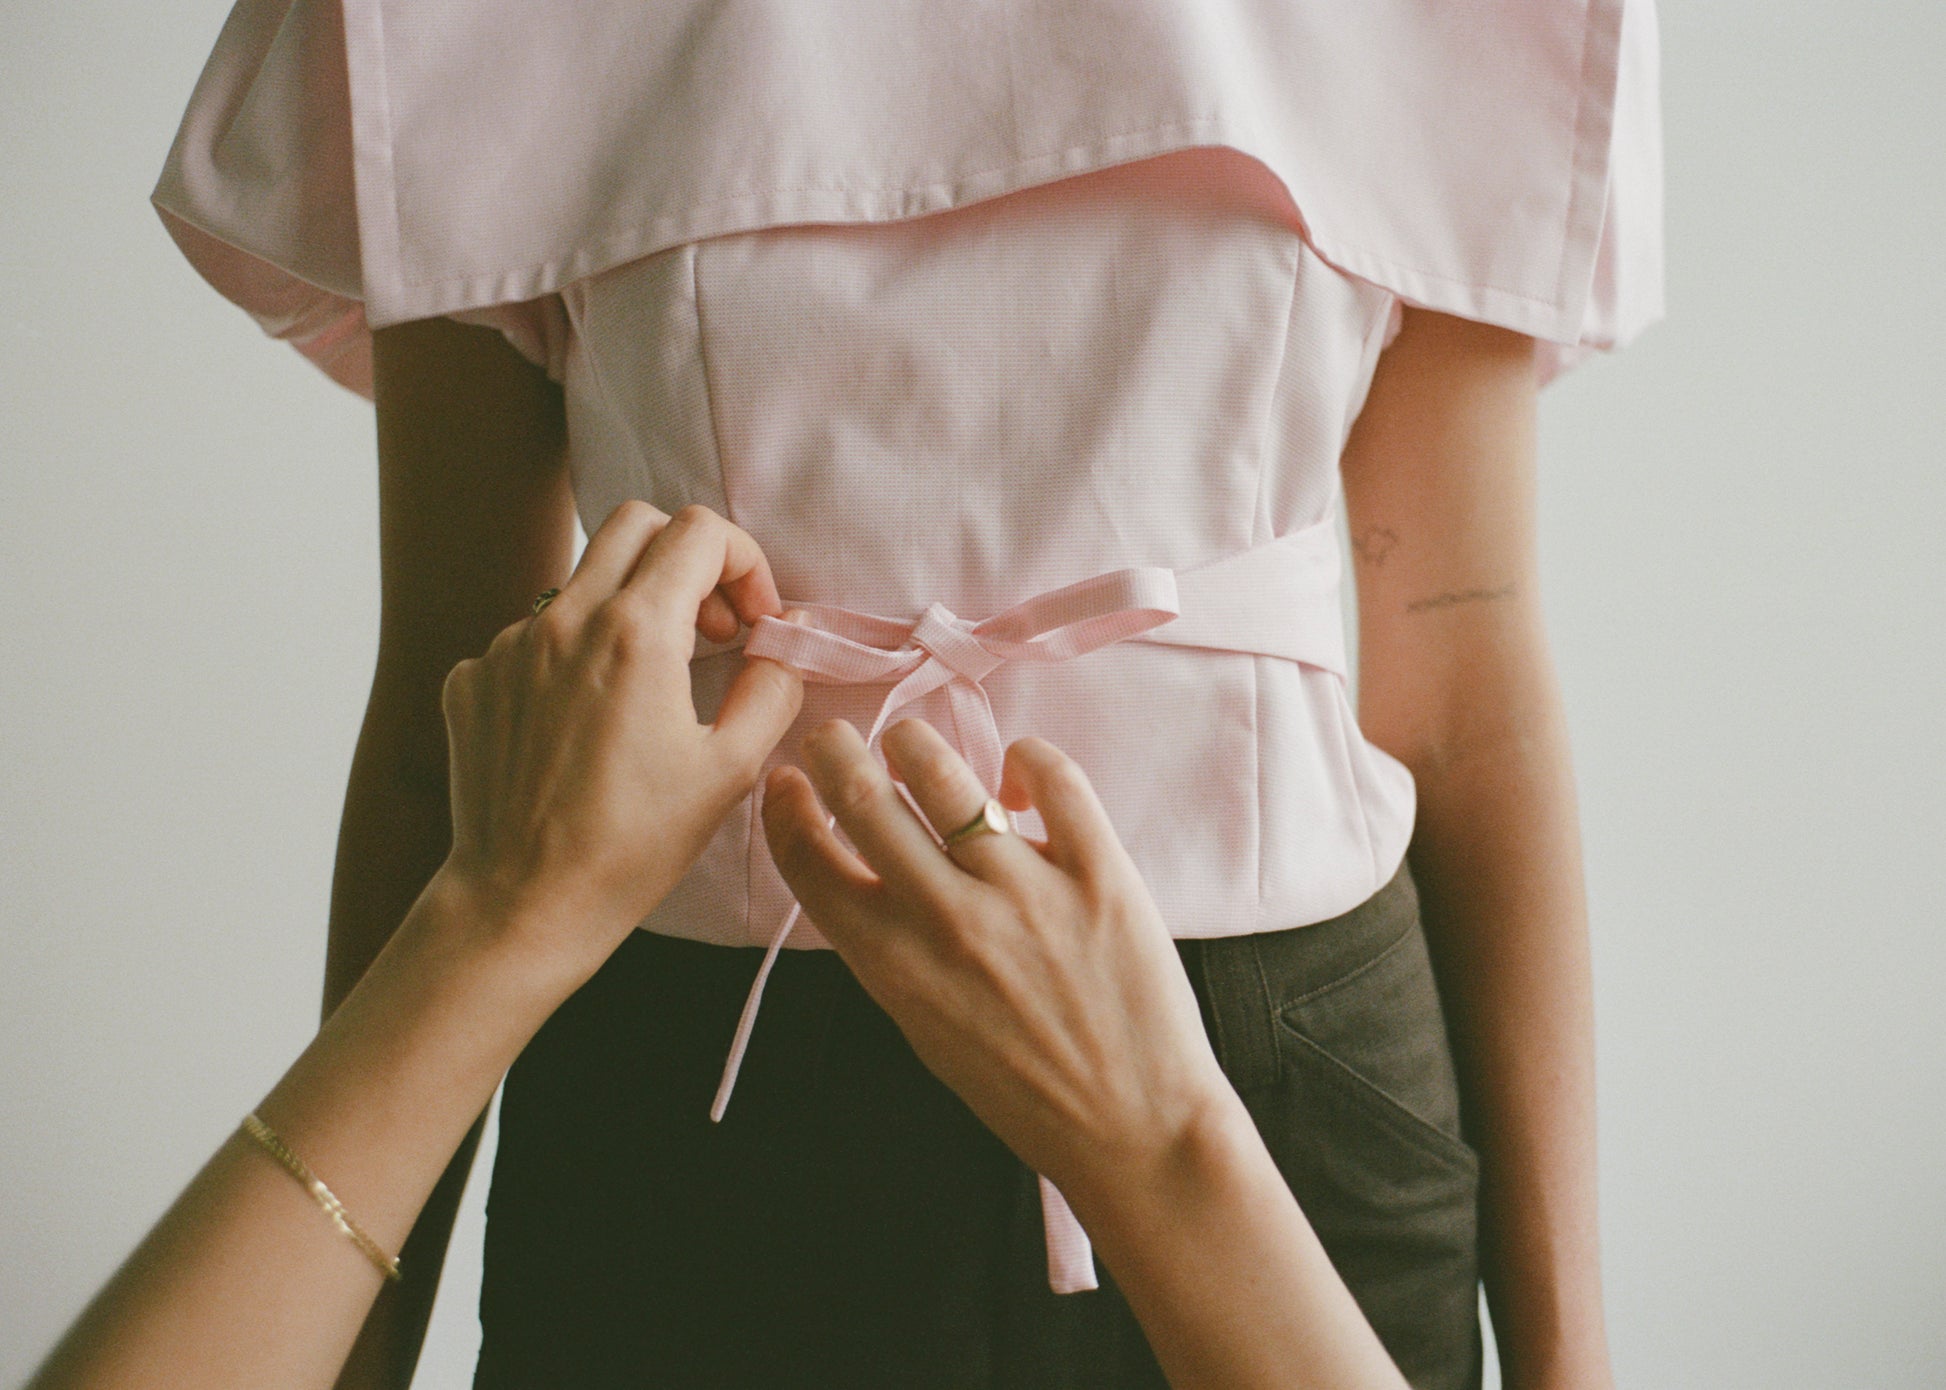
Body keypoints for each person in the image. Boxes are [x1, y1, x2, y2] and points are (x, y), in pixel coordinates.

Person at [147, 0, 1664, 1384]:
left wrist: (1570, 1364)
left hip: (1282, 1087)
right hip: (695, 1087)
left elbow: (1462, 678)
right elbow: (461, 699)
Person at [26, 498, 1413, 1390]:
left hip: (1297, 1054)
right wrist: (1163, 1141)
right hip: (677, 1097)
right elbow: (439, 631)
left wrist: (500, 908)